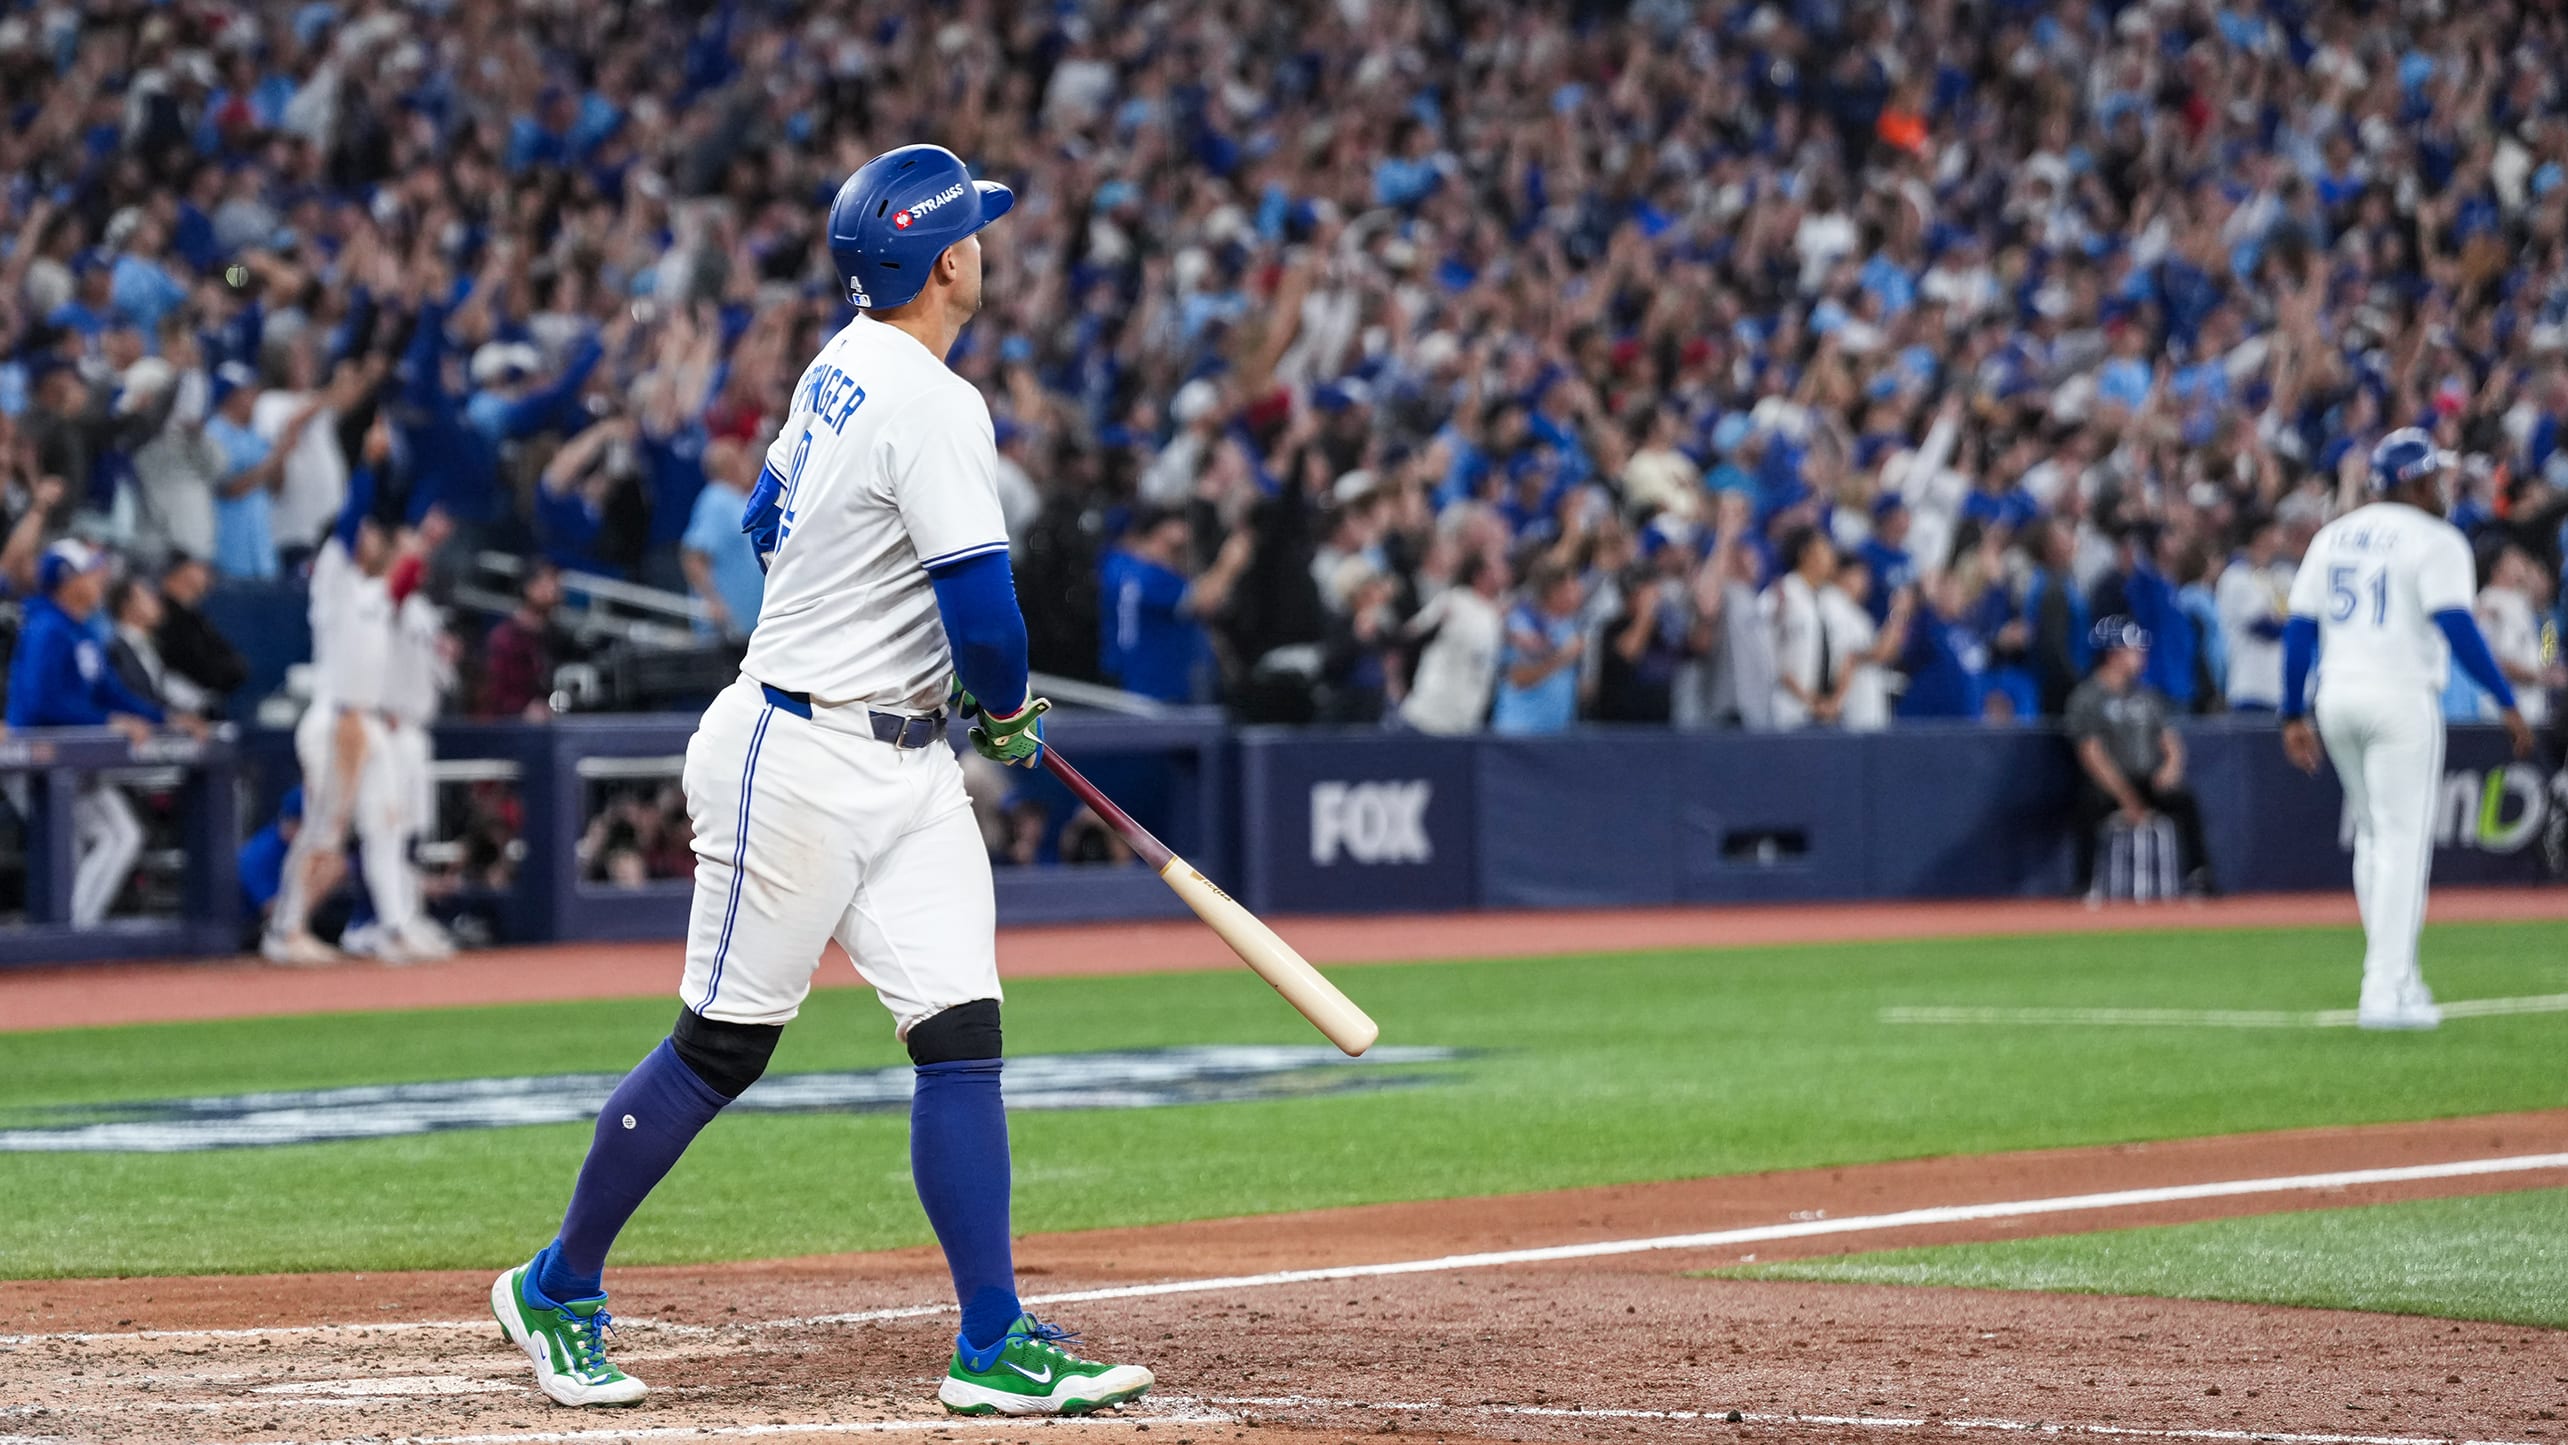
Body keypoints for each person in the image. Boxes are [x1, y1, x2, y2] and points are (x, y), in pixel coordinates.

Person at [488, 144, 1152, 1418]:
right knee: (721, 1046)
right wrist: (1006, 709)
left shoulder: (839, 360)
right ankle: (557, 1282)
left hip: (901, 759)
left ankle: (992, 1335)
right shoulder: (936, 402)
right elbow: (991, 620)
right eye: (977, 233)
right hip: (794, 754)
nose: (987, 248)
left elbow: (764, 523)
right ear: (949, 259)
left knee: (961, 1035)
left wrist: (916, 651)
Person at [2279, 430, 2536, 1030]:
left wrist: (2291, 712)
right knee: (2400, 844)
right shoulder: (2437, 539)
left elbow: (2299, 629)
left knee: (2374, 839)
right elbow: (2457, 626)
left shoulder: (2333, 533)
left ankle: (2403, 977)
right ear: (2415, 482)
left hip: (2336, 695)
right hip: (2398, 696)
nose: (2444, 485)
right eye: (2436, 476)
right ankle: (2384, 988)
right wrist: (2506, 699)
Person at [5, 541, 198, 925]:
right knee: (73, 844)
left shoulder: (83, 631)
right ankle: (64, 931)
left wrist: (163, 718)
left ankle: (76, 926)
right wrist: (105, 722)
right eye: (90, 572)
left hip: (76, 761)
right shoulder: (46, 627)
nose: (100, 579)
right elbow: (43, 702)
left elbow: (112, 692)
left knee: (121, 835)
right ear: (66, 581)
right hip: (35, 759)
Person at [263, 472, 398, 966]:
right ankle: (285, 929)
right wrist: (367, 466)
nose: (369, 538)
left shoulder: (369, 590)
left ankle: (386, 924)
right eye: (364, 532)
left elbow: (400, 569)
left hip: (362, 722)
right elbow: (346, 527)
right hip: (332, 720)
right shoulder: (334, 579)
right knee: (322, 831)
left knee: (361, 831)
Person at [2064, 617, 2214, 898]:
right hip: (2109, 784)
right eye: (2134, 649)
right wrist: (2125, 797)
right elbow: (2092, 754)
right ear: (2114, 654)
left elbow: (2170, 742)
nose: (2141, 655)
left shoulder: (2146, 696)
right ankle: (2084, 884)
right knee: (2087, 805)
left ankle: (2199, 875)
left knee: (2184, 800)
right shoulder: (2087, 697)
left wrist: (2171, 768)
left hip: (2148, 779)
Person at [1398, 553, 1505, 735]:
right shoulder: (1453, 601)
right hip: (1431, 710)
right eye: (1497, 568)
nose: (1504, 572)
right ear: (1480, 575)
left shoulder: (1493, 614)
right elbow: (1409, 634)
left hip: (1467, 716)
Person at [680, 439, 765, 642]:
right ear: (731, 466)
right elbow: (693, 556)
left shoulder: (740, 499)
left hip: (749, 629)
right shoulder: (717, 499)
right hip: (726, 633)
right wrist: (713, 602)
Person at [1489, 561, 1585, 734]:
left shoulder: (1569, 625)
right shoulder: (1523, 622)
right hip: (1520, 730)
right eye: (1572, 586)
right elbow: (1519, 678)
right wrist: (1563, 657)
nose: (1579, 591)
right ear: (1554, 592)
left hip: (1556, 732)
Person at [153, 552, 248, 716]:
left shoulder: (194, 616)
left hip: (207, 704)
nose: (205, 576)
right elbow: (188, 659)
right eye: (196, 570)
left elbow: (229, 659)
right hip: (181, 708)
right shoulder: (164, 617)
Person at [2216, 516, 2294, 711]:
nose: (2282, 537)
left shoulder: (2281, 574)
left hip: (2282, 691)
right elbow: (2267, 627)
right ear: (2261, 536)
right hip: (2251, 688)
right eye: (2276, 531)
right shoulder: (2236, 577)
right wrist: (2294, 623)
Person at [1768, 526, 1836, 729]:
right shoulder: (1782, 593)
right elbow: (1767, 653)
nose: (1831, 556)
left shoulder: (1828, 597)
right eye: (1824, 549)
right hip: (1785, 708)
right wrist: (1806, 698)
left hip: (1820, 711)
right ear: (1805, 554)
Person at [480, 564, 565, 719]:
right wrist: (522, 711)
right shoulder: (505, 638)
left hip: (548, 727)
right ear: (529, 587)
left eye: (557, 584)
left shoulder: (556, 636)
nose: (555, 590)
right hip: (508, 729)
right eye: (548, 582)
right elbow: (495, 693)